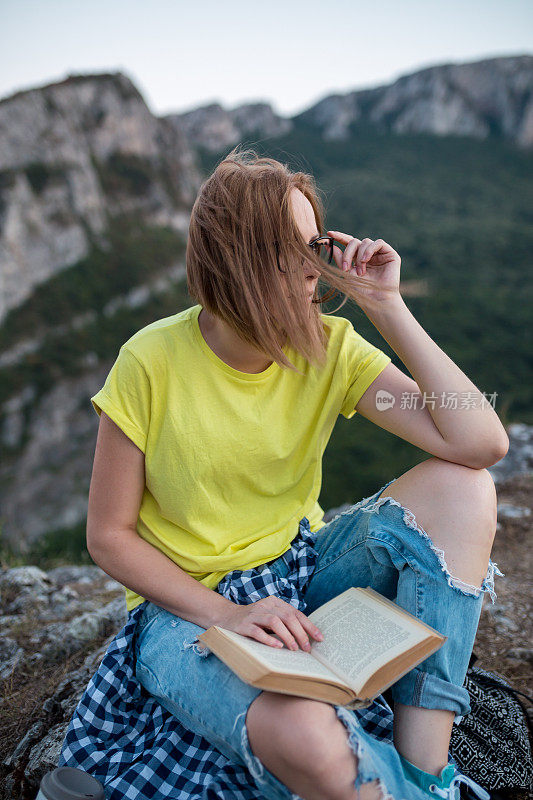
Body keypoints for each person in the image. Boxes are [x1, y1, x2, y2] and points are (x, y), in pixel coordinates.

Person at [86, 146, 506, 800]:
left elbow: (479, 441)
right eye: (294, 246)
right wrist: (224, 613)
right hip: (186, 609)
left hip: (304, 573)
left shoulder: (326, 346)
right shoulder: (150, 361)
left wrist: (384, 304)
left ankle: (426, 776)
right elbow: (108, 535)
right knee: (310, 742)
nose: (315, 264)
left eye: (317, 242)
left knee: (463, 488)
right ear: (236, 254)